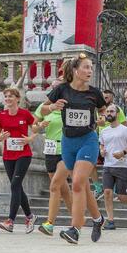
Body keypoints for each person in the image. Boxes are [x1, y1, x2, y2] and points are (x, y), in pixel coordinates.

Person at [41, 52, 107, 245]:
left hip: (88, 140)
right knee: (83, 186)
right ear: (76, 71)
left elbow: (103, 111)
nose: (89, 71)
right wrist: (53, 107)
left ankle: (75, 228)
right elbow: (42, 109)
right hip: (68, 143)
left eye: (91, 68)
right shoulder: (61, 89)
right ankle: (98, 219)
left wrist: (102, 119)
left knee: (77, 182)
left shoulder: (94, 93)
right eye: (86, 67)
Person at [0, 85, 38, 233]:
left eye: (10, 96)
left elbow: (36, 129)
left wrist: (29, 139)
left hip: (23, 154)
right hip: (7, 155)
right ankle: (30, 216)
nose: (7, 99)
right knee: (17, 186)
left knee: (14, 185)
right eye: (6, 97)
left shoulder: (25, 114)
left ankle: (10, 221)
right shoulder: (1, 115)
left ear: (17, 99)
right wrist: (0, 138)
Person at [34, 82, 72, 236]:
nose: (55, 90)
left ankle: (49, 223)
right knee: (63, 190)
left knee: (55, 186)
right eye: (53, 88)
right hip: (49, 151)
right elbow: (33, 127)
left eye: (58, 88)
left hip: (65, 150)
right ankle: (77, 220)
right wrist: (40, 125)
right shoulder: (44, 107)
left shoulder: (69, 107)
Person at [99, 104, 127, 230]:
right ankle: (110, 220)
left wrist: (123, 153)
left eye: (111, 111)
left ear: (117, 114)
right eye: (107, 111)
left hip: (122, 166)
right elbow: (101, 144)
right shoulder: (103, 131)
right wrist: (101, 151)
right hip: (108, 165)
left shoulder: (124, 129)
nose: (109, 113)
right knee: (107, 192)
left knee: (121, 196)